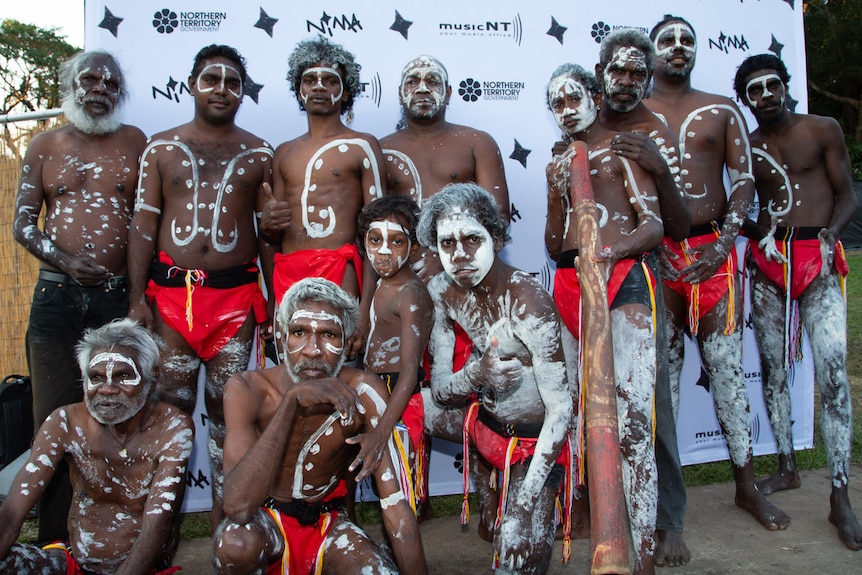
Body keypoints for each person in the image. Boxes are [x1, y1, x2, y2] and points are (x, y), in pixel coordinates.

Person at [649, 16, 796, 562]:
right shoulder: (632, 113)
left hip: (715, 254)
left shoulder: (721, 108)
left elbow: (743, 182)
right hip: (656, 258)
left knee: (729, 371)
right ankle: (669, 512)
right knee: (662, 381)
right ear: (651, 50)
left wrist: (724, 243)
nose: (679, 49)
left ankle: (746, 484)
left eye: (688, 40)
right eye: (669, 41)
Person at [127, 44, 273, 530]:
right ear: (191, 85)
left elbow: (267, 235)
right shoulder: (161, 147)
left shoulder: (259, 152)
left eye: (233, 82)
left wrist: (269, 301)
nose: (222, 90)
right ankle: (159, 529)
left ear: (243, 94)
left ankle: (225, 523)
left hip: (235, 301)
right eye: (212, 79)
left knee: (228, 408)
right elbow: (144, 226)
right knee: (170, 408)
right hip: (171, 300)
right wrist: (135, 300)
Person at [12, 50, 147, 544]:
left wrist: (138, 298)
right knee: (52, 421)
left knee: (115, 417)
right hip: (56, 300)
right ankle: (54, 542)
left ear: (121, 94)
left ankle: (115, 539)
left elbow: (145, 226)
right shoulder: (43, 145)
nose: (100, 89)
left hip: (115, 303)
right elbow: (23, 224)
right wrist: (67, 262)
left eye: (111, 84)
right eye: (89, 79)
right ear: (70, 84)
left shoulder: (135, 142)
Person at [214, 278, 427, 574]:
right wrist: (291, 402)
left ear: (349, 343)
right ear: (280, 337)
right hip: (264, 523)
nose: (313, 350)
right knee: (235, 545)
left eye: (329, 334)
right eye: (299, 332)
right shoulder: (247, 389)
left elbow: (395, 507)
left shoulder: (366, 391)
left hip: (328, 525)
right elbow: (236, 507)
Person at [735, 53, 862, 550]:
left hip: (819, 257)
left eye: (771, 86)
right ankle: (787, 466)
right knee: (772, 369)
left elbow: (848, 194)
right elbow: (737, 205)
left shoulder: (822, 128)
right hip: (769, 265)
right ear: (746, 100)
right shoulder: (747, 145)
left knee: (833, 372)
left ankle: (840, 494)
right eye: (754, 91)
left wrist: (831, 236)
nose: (764, 96)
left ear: (786, 86)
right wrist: (756, 233)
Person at [417, 183, 573, 574]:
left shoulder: (528, 302)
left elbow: (561, 412)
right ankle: (483, 483)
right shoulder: (441, 291)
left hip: (535, 442)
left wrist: (520, 509)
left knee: (515, 555)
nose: (460, 256)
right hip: (482, 420)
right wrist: (476, 373)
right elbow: (440, 389)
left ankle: (521, 498)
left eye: (472, 239)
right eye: (447, 243)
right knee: (401, 412)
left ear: (498, 238)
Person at [544, 63, 663, 575]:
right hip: (572, 285)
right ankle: (598, 522)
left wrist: (610, 253)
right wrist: (555, 192)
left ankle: (645, 555)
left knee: (633, 420)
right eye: (557, 103)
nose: (567, 109)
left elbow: (653, 225)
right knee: (572, 414)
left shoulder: (620, 149)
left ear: (594, 96)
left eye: (574, 98)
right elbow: (553, 245)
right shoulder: (556, 161)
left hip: (621, 280)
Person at [0, 319, 194, 574]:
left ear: (151, 378)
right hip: (76, 563)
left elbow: (154, 529)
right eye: (96, 377)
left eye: (123, 376)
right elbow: (13, 513)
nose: (108, 389)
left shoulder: (172, 428)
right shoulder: (66, 422)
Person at [261, 36, 384, 315]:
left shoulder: (363, 145)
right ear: (298, 90)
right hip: (287, 273)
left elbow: (377, 232)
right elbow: (271, 235)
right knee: (292, 356)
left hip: (341, 270)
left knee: (336, 355)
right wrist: (268, 224)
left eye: (330, 80)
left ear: (347, 92)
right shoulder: (283, 152)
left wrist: (367, 307)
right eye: (309, 80)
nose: (318, 86)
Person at [380, 54, 509, 281]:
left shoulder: (477, 142)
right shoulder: (382, 149)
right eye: (412, 82)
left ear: (448, 93)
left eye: (432, 81)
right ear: (400, 94)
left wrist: (445, 254)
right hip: (401, 271)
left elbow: (497, 217)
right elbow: (373, 221)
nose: (422, 89)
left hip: (465, 269)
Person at [352, 195, 433, 513]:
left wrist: (380, 433)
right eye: (375, 240)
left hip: (400, 399)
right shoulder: (384, 283)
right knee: (387, 485)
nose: (383, 251)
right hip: (377, 391)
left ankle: (408, 556)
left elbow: (410, 373)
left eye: (396, 241)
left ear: (413, 248)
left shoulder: (409, 293)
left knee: (400, 491)